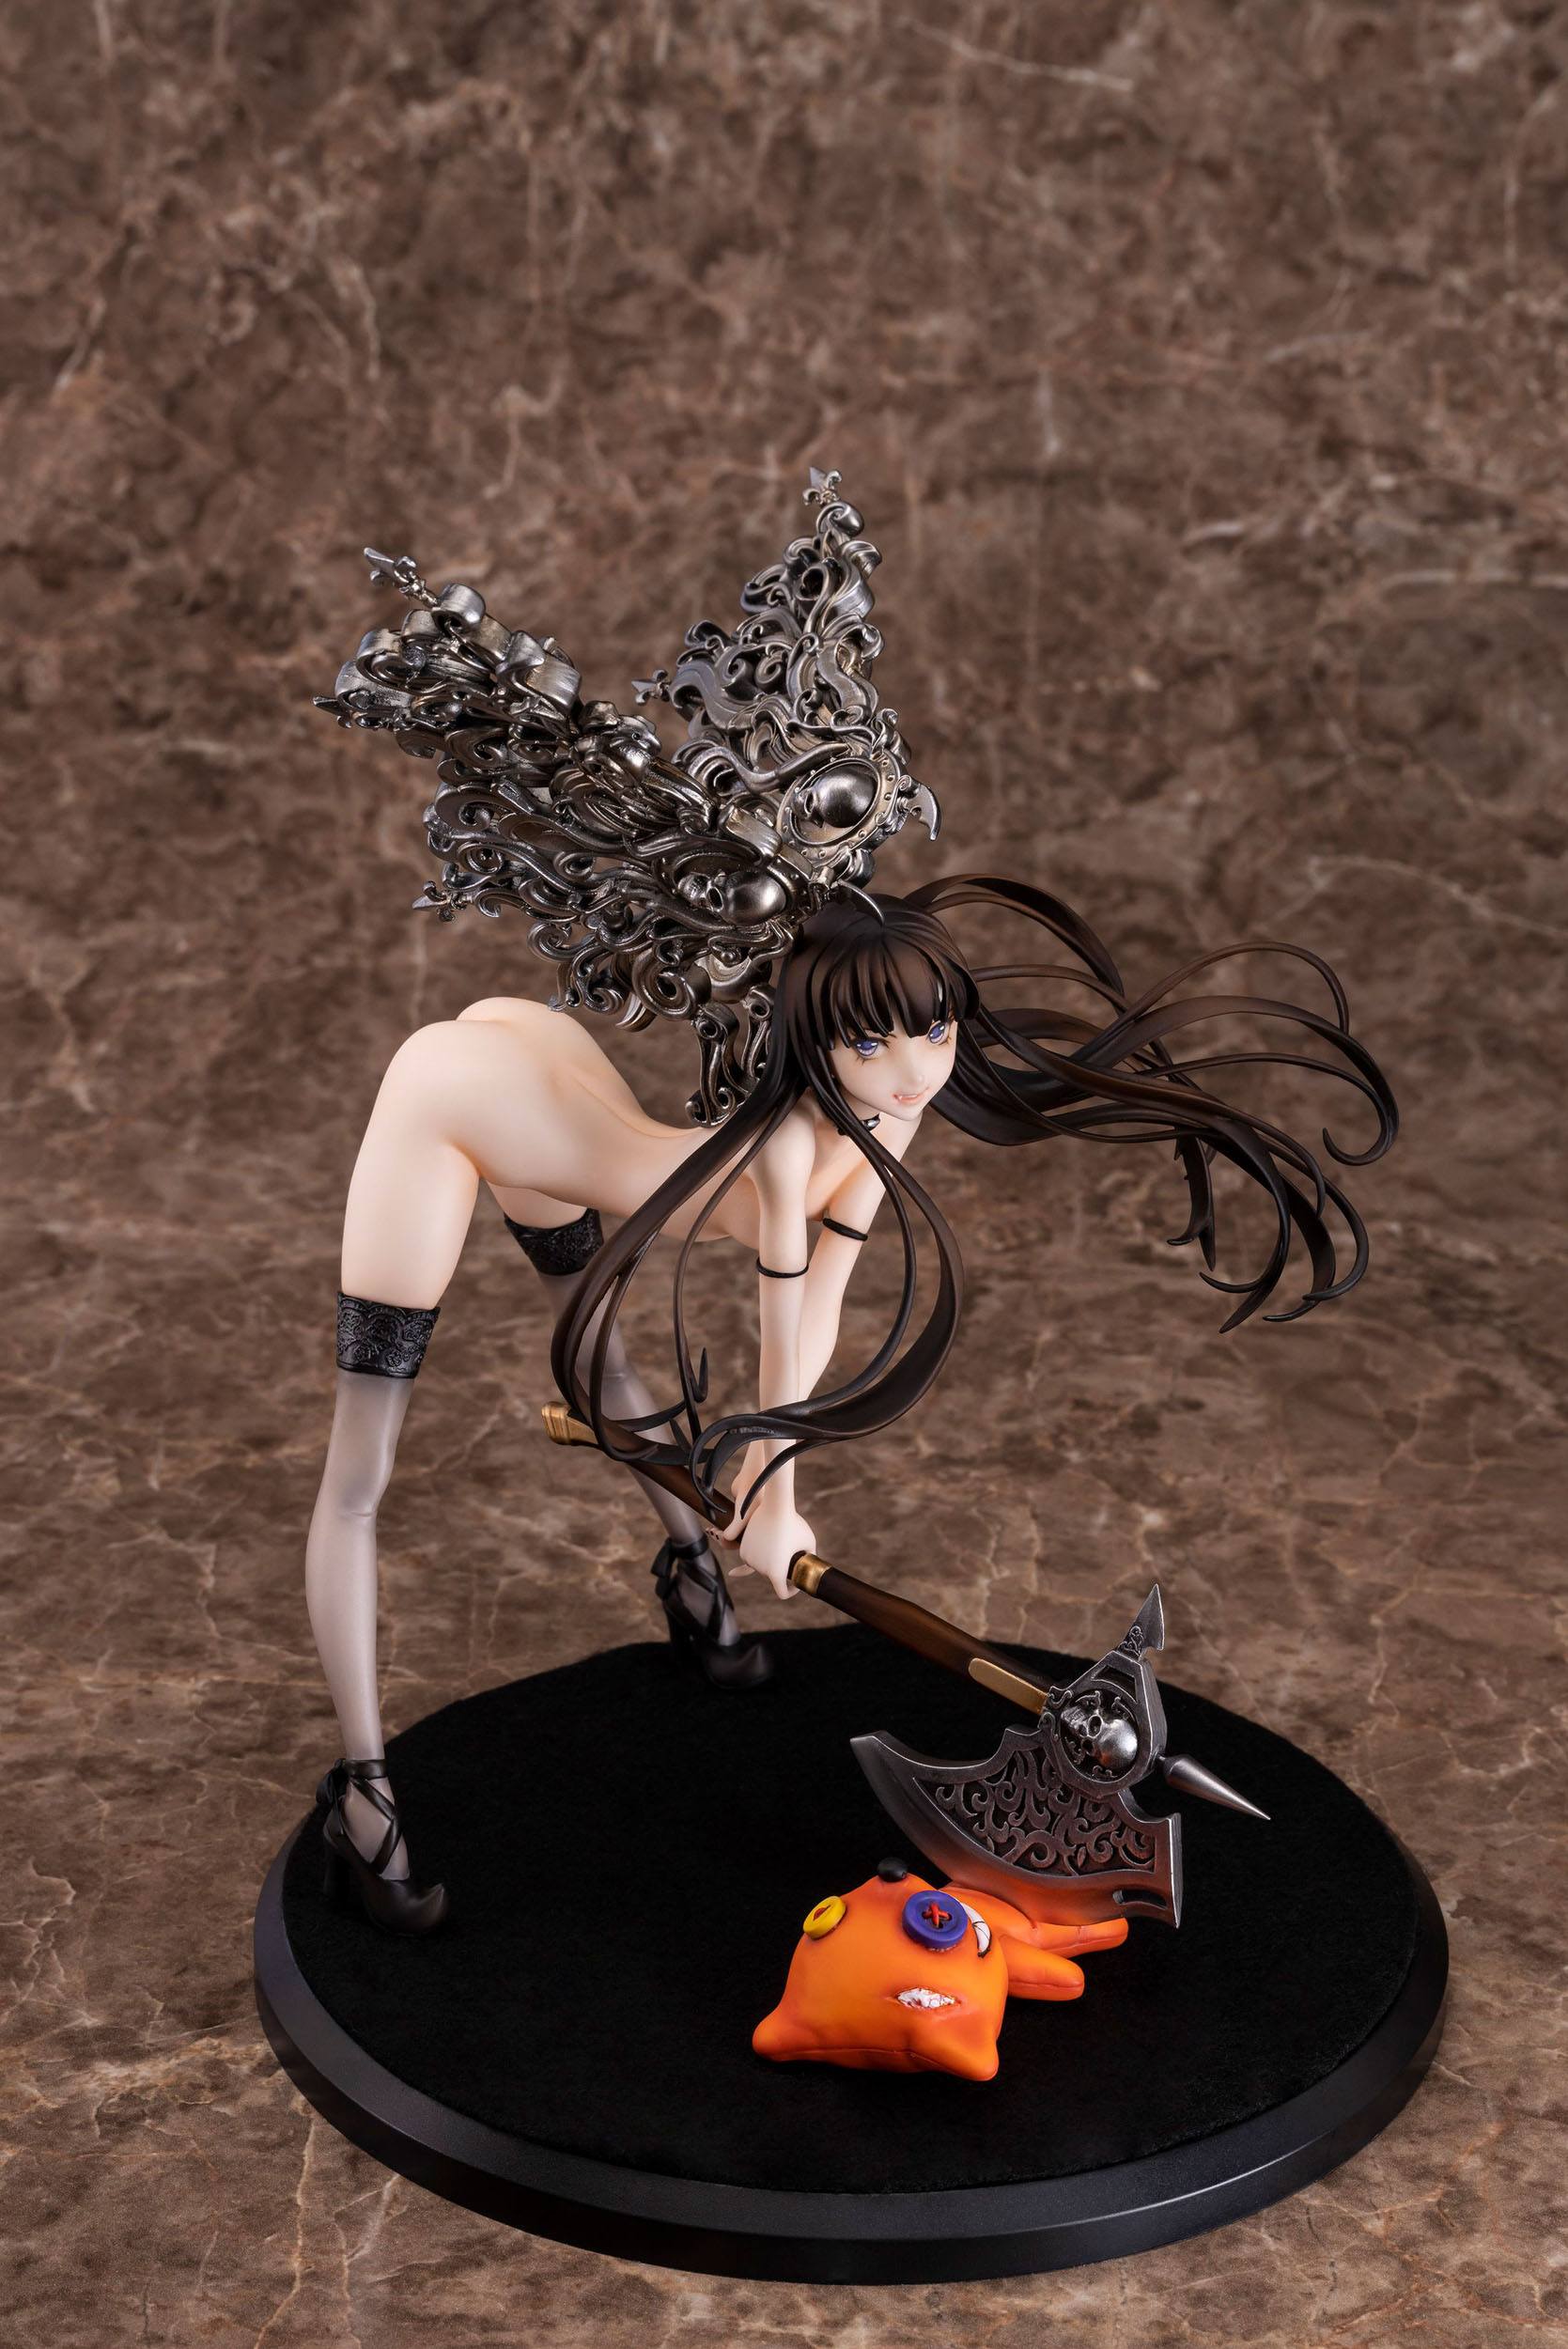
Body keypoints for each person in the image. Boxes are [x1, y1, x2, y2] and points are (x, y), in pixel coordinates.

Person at [305, 474, 1396, 1933]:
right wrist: (767, 1488)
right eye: (875, 1039)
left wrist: (770, 1483)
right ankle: (365, 1787)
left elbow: (816, 1311)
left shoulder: (887, 1120)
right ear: (813, 1034)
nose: (915, 1066)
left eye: (932, 1026)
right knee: (363, 1470)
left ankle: (688, 1569)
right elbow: (776, 1331)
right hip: (447, 1109)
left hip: (544, 1077)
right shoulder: (781, 1143)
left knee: (611, 1360)